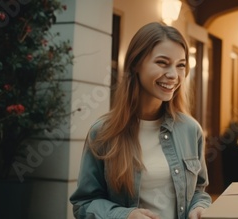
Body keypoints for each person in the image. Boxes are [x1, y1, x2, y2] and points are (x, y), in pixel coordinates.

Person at [70, 22, 211, 219]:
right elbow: (84, 204)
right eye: (162, 62)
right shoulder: (103, 133)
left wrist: (199, 207)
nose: (173, 75)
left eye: (180, 65)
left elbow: (199, 191)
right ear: (136, 64)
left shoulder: (190, 130)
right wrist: (125, 216)